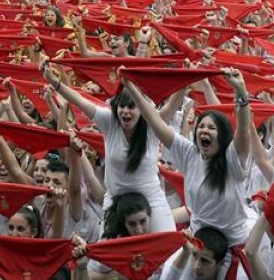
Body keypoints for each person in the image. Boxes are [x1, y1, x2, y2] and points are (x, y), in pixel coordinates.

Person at [44, 64, 176, 233]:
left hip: (150, 198)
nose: (125, 112)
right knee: (106, 255)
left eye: (131, 107)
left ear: (142, 110)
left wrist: (185, 83)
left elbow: (171, 107)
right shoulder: (109, 121)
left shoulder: (151, 125)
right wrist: (55, 83)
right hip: (115, 200)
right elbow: (80, 101)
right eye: (122, 106)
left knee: (167, 247)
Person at [124, 70, 251, 243]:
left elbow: (244, 129)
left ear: (222, 137)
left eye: (212, 128)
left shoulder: (232, 159)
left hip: (231, 245)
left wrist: (241, 91)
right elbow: (155, 121)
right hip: (198, 243)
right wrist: (132, 89)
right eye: (201, 126)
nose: (204, 130)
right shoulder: (190, 153)